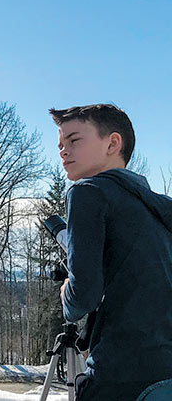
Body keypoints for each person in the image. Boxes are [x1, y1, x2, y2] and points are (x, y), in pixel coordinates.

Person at [52, 104, 172, 401]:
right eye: (60, 145)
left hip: (120, 373)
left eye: (74, 140)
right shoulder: (160, 206)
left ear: (113, 143)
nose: (63, 151)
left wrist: (67, 292)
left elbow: (83, 296)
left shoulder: (86, 192)